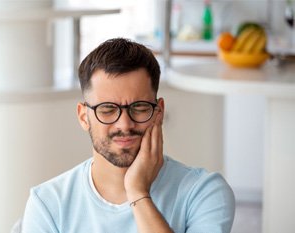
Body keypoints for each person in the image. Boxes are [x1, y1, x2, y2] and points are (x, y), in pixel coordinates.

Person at [21, 38, 235, 233]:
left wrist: (138, 192)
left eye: (139, 107)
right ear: (84, 117)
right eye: (107, 109)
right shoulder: (48, 203)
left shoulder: (204, 192)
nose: (124, 124)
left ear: (158, 112)